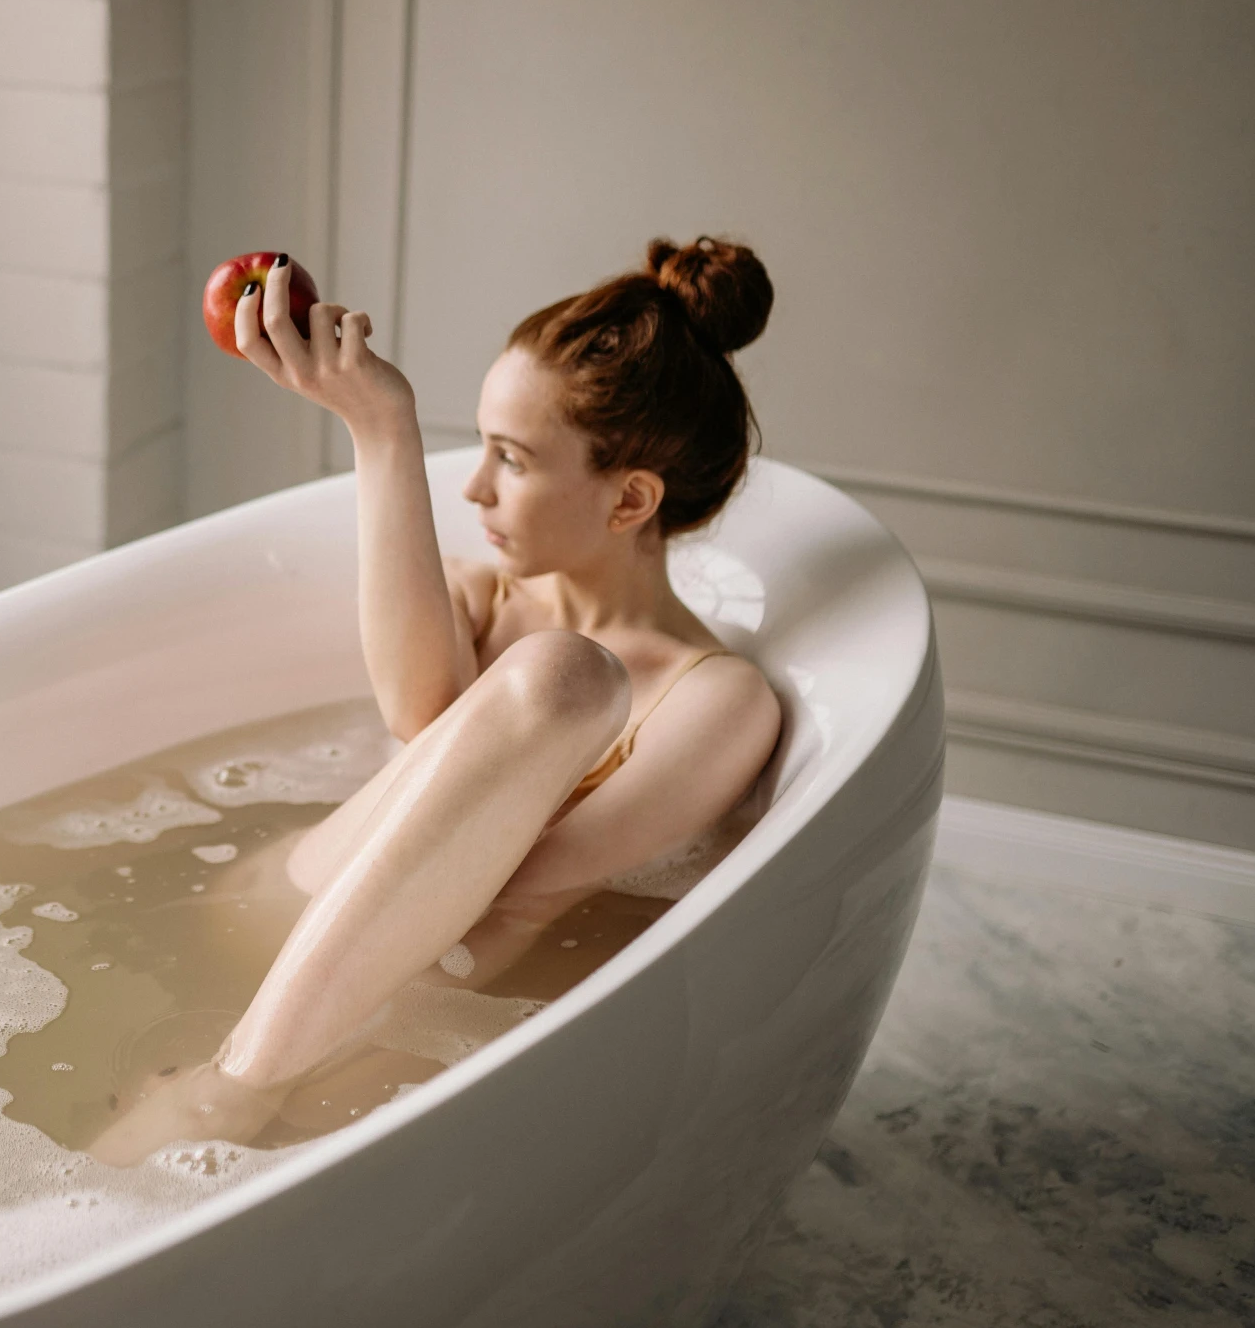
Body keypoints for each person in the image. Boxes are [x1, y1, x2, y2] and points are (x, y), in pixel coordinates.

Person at [91, 238, 784, 1164]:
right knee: (558, 675)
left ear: (629, 502)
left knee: (567, 676)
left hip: (379, 978)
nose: (475, 487)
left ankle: (245, 1079)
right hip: (282, 902)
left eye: (512, 459)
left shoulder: (714, 701)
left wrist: (360, 1059)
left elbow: (515, 886)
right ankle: (233, 1085)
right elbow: (427, 728)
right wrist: (382, 426)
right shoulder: (477, 596)